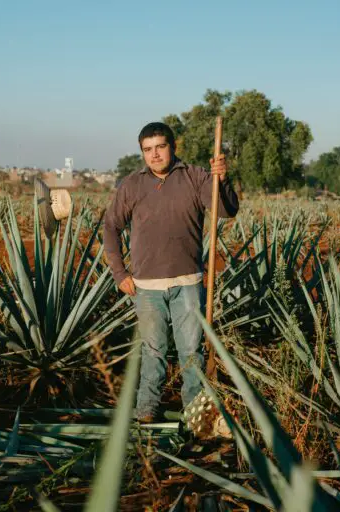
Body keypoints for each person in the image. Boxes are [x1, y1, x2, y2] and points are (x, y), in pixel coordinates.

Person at [103, 121, 240, 422]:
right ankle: (146, 412)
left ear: (172, 146)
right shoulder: (132, 185)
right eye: (147, 150)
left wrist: (222, 180)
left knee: (192, 353)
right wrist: (119, 273)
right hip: (146, 286)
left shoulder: (195, 177)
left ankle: (195, 416)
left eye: (160, 147)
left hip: (188, 283)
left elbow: (227, 211)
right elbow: (110, 226)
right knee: (153, 352)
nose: (154, 155)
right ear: (142, 153)